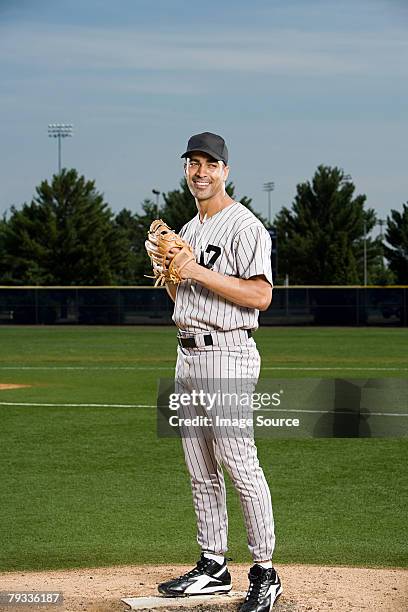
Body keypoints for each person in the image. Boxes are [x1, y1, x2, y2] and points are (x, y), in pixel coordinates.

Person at [157, 132, 282, 611]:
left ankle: (265, 572)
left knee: (238, 464)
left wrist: (194, 271)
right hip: (187, 352)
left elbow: (260, 297)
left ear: (225, 171)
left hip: (228, 353)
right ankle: (213, 565)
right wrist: (170, 272)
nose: (201, 172)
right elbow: (183, 298)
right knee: (199, 467)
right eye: (193, 163)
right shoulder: (187, 230)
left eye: (210, 164)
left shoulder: (245, 227)